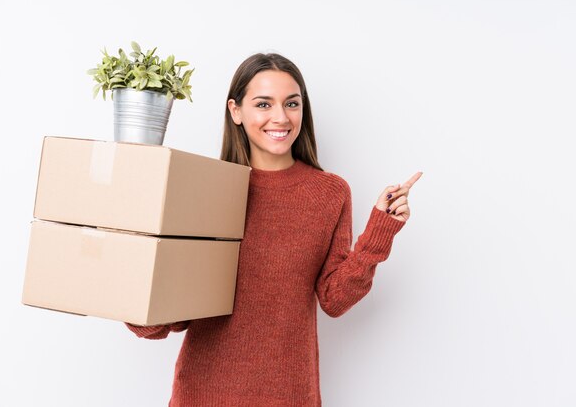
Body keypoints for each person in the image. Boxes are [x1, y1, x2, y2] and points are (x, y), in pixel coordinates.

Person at [125, 53, 422, 406]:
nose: (280, 117)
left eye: (291, 103)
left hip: (289, 395)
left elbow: (335, 299)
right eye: (263, 104)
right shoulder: (204, 188)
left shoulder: (329, 193)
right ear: (235, 111)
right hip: (204, 394)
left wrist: (379, 232)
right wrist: (131, 281)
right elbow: (166, 320)